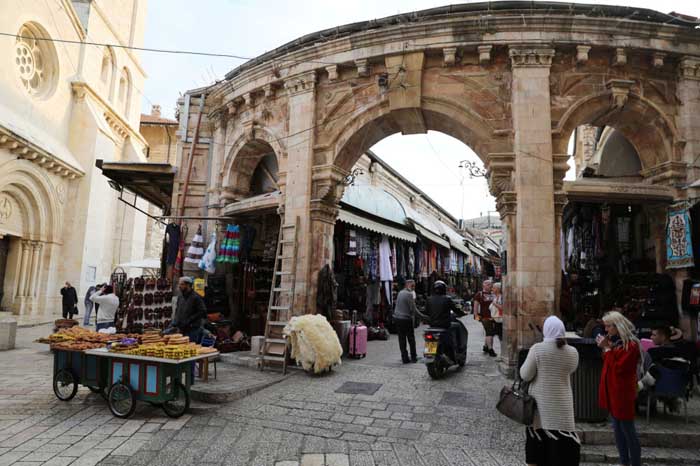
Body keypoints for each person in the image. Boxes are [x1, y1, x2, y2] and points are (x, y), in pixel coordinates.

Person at [520, 316, 580, 466]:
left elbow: (525, 374)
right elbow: (571, 369)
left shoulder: (538, 349)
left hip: (540, 410)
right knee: (560, 454)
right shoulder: (572, 352)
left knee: (537, 453)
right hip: (563, 411)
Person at [597, 311, 643, 466]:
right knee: (618, 433)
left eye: (609, 326)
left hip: (622, 394)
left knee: (628, 432)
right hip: (614, 392)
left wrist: (608, 350)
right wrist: (606, 348)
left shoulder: (631, 345)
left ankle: (634, 463)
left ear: (618, 326)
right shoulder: (617, 343)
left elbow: (619, 368)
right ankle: (625, 462)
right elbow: (610, 362)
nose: (606, 330)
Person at [425, 280, 463, 362]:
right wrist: (462, 313)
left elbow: (426, 311)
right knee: (458, 326)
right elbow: (455, 309)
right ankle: (459, 348)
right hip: (444, 325)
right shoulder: (447, 299)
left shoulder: (429, 299)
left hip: (432, 326)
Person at [167, 276, 207, 343]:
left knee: (191, 348)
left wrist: (189, 320)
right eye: (179, 284)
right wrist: (174, 322)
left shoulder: (196, 297)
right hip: (182, 328)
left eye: (182, 284)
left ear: (188, 285)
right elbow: (177, 310)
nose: (179, 286)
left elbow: (202, 312)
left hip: (193, 329)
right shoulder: (180, 297)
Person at [393, 279, 419, 364]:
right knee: (411, 338)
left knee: (402, 338)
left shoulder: (400, 292)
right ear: (408, 285)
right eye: (413, 286)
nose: (414, 288)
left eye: (414, 286)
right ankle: (414, 357)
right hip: (405, 319)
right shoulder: (409, 294)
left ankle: (404, 358)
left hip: (397, 318)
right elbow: (413, 309)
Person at [473, 280, 497, 357]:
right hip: (485, 317)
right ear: (484, 285)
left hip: (494, 317)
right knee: (490, 332)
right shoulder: (479, 294)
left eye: (491, 284)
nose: (491, 286)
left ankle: (486, 346)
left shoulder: (494, 294)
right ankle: (491, 349)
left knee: (489, 332)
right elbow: (475, 306)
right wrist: (476, 316)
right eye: (489, 285)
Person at [490, 283, 504, 355]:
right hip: (496, 320)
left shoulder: (501, 297)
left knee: (501, 337)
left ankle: (503, 354)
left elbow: (502, 308)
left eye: (494, 288)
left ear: (498, 289)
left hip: (500, 320)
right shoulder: (495, 297)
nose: (492, 289)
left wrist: (494, 304)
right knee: (498, 336)